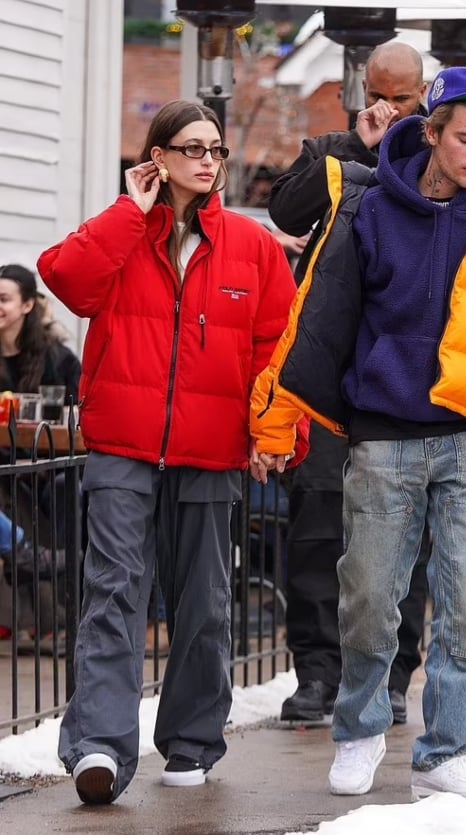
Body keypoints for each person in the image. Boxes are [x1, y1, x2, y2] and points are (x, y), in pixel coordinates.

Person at [250, 66, 466, 800]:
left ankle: (445, 752)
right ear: (428, 132)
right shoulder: (367, 209)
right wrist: (273, 420)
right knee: (369, 596)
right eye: (464, 138)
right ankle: (362, 729)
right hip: (383, 433)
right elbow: (318, 317)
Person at [37, 99, 306, 805]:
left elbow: (278, 351)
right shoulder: (122, 232)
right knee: (113, 593)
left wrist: (276, 435)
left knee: (206, 604)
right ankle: (98, 745)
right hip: (122, 443)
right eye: (192, 148)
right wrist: (130, 212)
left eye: (216, 148)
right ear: (157, 158)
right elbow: (64, 279)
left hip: (212, 449)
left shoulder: (251, 245)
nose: (209, 160)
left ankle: (189, 741)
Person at [269, 40, 430, 725]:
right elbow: (285, 213)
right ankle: (316, 670)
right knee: (315, 518)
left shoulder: (439, 155)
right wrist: (357, 152)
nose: (388, 108)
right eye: (378, 94)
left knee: (401, 526)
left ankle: (393, 672)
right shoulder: (333, 149)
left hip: (402, 367)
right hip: (332, 366)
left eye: (403, 98)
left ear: (423, 95)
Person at [0, 263, 80, 649]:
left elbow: (77, 414)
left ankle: (51, 620)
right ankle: (43, 619)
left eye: (4, 299)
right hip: (6, 469)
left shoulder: (56, 359)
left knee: (38, 491)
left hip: (46, 466)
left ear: (28, 305)